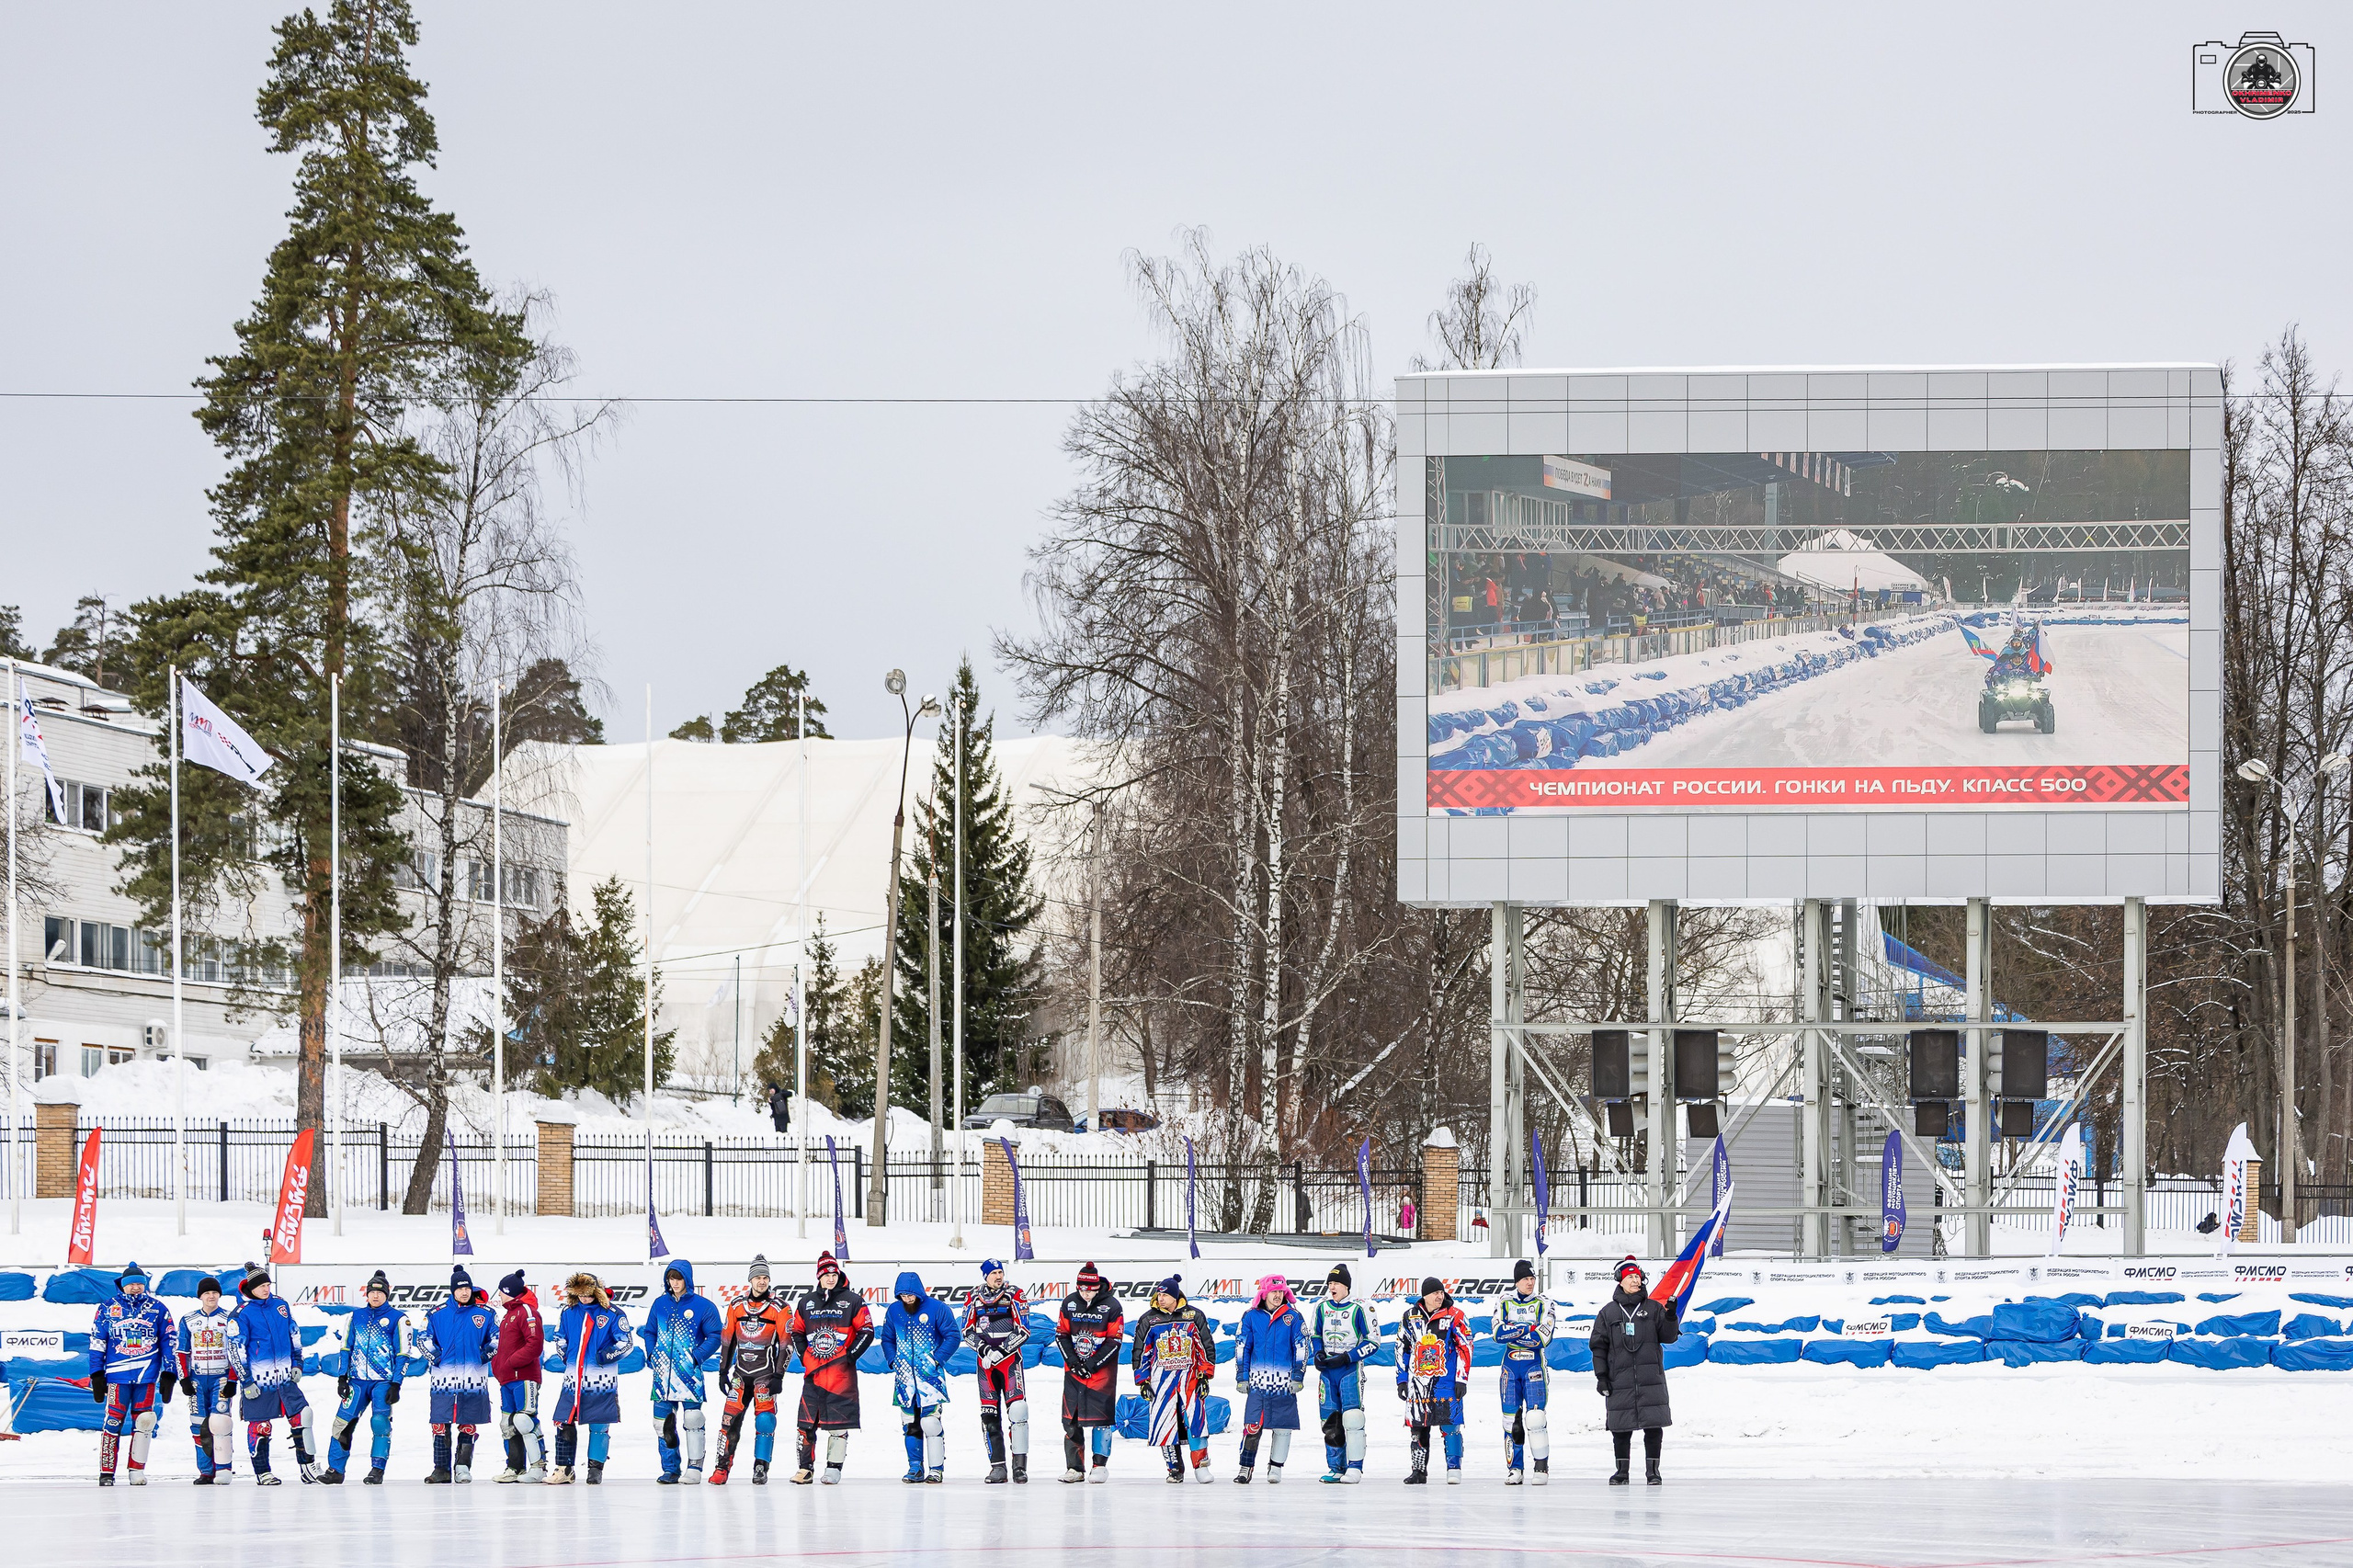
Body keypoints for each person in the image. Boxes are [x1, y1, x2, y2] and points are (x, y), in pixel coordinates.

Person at [1589, 1256, 1678, 1485]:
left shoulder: (1653, 1309)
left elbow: (1668, 1337)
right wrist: (1602, 1377)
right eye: (1630, 1277)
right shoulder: (1608, 1313)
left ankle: (1653, 1472)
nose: (1635, 1281)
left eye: (1637, 1277)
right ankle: (1622, 1472)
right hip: (1620, 1378)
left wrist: (1670, 1316)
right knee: (1620, 1427)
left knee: (1653, 1426)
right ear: (1620, 1280)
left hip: (1651, 1379)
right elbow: (1599, 1347)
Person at [789, 1252, 873, 1484]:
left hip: (840, 1375)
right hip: (813, 1374)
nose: (830, 1278)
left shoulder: (853, 1300)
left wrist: (850, 1356)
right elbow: (796, 1331)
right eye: (826, 1274)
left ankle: (834, 1468)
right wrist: (805, 1356)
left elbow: (867, 1330)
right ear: (819, 1276)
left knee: (838, 1425)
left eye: (833, 1273)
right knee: (806, 1425)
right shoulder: (806, 1302)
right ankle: (805, 1469)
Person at [231, 1262, 319, 1483]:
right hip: (260, 1381)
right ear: (251, 1288)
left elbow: (294, 1335)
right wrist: (246, 1381)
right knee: (261, 1426)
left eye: (268, 1284)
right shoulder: (242, 1314)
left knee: (303, 1416)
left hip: (286, 1379)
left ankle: (308, 1468)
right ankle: (263, 1472)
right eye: (261, 1286)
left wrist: (298, 1363)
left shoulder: (281, 1305)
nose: (266, 1289)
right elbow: (235, 1349)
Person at [641, 1257, 723, 1485]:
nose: (674, 1283)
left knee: (693, 1419)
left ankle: (695, 1468)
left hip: (688, 1374)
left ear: (687, 1279)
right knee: (662, 1423)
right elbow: (649, 1332)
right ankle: (670, 1469)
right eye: (670, 1278)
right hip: (662, 1375)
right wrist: (652, 1353)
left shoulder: (703, 1306)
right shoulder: (659, 1304)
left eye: (678, 1278)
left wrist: (696, 1356)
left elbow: (715, 1335)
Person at [90, 1261, 174, 1486]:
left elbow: (169, 1342)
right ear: (123, 1285)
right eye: (131, 1284)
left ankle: (137, 1470)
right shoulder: (107, 1307)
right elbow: (98, 1341)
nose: (136, 1287)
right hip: (117, 1377)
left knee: (145, 1422)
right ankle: (106, 1472)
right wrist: (96, 1373)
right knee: (112, 1423)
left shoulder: (158, 1308)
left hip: (146, 1376)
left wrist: (169, 1373)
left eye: (140, 1283)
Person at [323, 1268, 407, 1484]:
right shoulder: (355, 1317)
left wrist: (396, 1384)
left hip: (383, 1382)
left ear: (387, 1294)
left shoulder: (398, 1319)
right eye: (372, 1292)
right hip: (357, 1382)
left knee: (380, 1423)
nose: (376, 1296)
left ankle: (377, 1470)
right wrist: (342, 1377)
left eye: (380, 1293)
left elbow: (403, 1353)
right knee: (342, 1424)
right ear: (367, 1294)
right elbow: (345, 1348)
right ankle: (335, 1470)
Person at [547, 1271, 631, 1484]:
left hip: (601, 1380)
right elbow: (559, 1337)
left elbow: (626, 1343)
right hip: (573, 1380)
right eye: (580, 1294)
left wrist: (605, 1356)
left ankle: (595, 1468)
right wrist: (566, 1355)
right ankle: (565, 1469)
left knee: (599, 1424)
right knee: (564, 1421)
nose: (584, 1298)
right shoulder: (568, 1312)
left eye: (588, 1294)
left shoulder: (613, 1313)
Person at [712, 1256, 790, 1483]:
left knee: (765, 1421)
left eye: (765, 1277)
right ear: (750, 1280)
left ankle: (760, 1467)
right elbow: (727, 1339)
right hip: (740, 1375)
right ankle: (721, 1468)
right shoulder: (736, 1305)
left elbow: (787, 1344)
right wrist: (722, 1371)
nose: (762, 1282)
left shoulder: (780, 1307)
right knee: (728, 1422)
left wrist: (779, 1376)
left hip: (765, 1376)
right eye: (758, 1277)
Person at [1131, 1274, 1215, 1483]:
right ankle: (1174, 1469)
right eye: (1158, 1294)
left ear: (1175, 1296)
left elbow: (1205, 1346)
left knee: (1195, 1419)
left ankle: (1201, 1465)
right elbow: (1141, 1351)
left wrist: (1205, 1376)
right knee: (1163, 1422)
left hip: (1189, 1377)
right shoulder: (1149, 1319)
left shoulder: (1193, 1315)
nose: (1160, 1298)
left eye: (1165, 1295)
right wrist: (1142, 1381)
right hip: (1161, 1379)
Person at [420, 1264, 498, 1483]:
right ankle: (441, 1469)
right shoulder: (436, 1314)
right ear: (453, 1291)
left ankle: (463, 1467)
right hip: (443, 1380)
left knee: (468, 1421)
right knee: (440, 1423)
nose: (464, 1292)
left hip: (473, 1379)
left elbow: (497, 1338)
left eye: (467, 1288)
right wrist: (437, 1357)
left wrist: (483, 1356)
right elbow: (423, 1339)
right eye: (460, 1289)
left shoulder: (486, 1313)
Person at [879, 1269, 958, 1484]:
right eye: (903, 1296)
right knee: (910, 1423)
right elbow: (887, 1338)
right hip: (904, 1379)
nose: (907, 1299)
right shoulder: (893, 1311)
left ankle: (936, 1469)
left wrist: (937, 1359)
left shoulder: (937, 1308)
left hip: (930, 1378)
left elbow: (953, 1335)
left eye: (910, 1295)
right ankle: (915, 1468)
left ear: (919, 1293)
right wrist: (893, 1360)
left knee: (931, 1423)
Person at [961, 1257, 1032, 1483]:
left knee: (1018, 1412)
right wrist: (983, 1350)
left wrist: (1001, 1351)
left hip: (1010, 1363)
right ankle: (997, 1467)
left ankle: (1019, 1467)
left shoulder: (1015, 1293)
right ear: (985, 1276)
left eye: (1001, 1272)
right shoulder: (972, 1296)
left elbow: (1024, 1329)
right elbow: (966, 1330)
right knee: (989, 1416)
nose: (999, 1276)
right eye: (994, 1273)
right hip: (986, 1366)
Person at [1395, 1276, 1471, 1485]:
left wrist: (1461, 1379)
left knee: (1451, 1426)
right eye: (1436, 1293)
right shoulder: (1409, 1316)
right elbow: (1402, 1348)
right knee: (1418, 1428)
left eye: (1441, 1292)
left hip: (1446, 1382)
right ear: (1425, 1296)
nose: (1440, 1296)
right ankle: (1419, 1471)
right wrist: (1402, 1379)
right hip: (1417, 1384)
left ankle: (1454, 1468)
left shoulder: (1455, 1315)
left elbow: (1465, 1347)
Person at [1232, 1274, 1306, 1484]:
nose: (1278, 1295)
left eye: (1281, 1291)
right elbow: (1241, 1347)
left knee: (1283, 1427)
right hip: (1258, 1384)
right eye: (1274, 1291)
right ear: (1264, 1293)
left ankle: (1276, 1467)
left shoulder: (1294, 1316)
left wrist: (1298, 1375)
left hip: (1284, 1384)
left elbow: (1302, 1347)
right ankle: (1245, 1467)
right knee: (1252, 1426)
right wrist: (1242, 1376)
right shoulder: (1250, 1316)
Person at [1053, 1261, 1123, 1484]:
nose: (1085, 1292)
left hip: (1101, 1375)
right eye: (1081, 1287)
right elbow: (1061, 1335)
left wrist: (1092, 1364)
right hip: (1073, 1373)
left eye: (1089, 1288)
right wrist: (1074, 1363)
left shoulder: (1112, 1306)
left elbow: (1114, 1341)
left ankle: (1099, 1465)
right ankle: (1075, 1468)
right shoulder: (1069, 1303)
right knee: (1070, 1420)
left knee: (1101, 1419)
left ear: (1097, 1287)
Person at [1308, 1262, 1377, 1484]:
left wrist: (1348, 1357)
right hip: (1328, 1372)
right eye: (1330, 1283)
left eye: (1336, 1283)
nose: (1332, 1287)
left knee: (1353, 1418)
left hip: (1349, 1370)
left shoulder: (1361, 1308)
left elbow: (1373, 1342)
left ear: (1347, 1286)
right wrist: (1318, 1354)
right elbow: (1315, 1334)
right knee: (1330, 1420)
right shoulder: (1321, 1307)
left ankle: (1355, 1467)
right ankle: (1336, 1467)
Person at [1493, 1258, 1555, 1485]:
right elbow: (1498, 1334)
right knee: (1511, 1420)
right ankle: (1515, 1468)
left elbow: (1542, 1338)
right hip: (1510, 1367)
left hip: (1534, 1366)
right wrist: (1526, 1328)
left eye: (1532, 1278)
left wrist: (1515, 1332)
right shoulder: (1504, 1301)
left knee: (1536, 1417)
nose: (1530, 1283)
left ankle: (1541, 1467)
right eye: (1525, 1279)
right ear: (1517, 1281)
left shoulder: (1544, 1303)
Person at [176, 1274, 237, 1484]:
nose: (211, 1296)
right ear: (200, 1296)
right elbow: (181, 1352)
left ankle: (223, 1469)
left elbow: (236, 1351)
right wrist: (184, 1379)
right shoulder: (188, 1320)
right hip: (197, 1379)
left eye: (215, 1292)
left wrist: (232, 1380)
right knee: (198, 1425)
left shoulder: (230, 1318)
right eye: (207, 1293)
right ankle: (205, 1470)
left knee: (220, 1422)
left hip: (221, 1378)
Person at [493, 1269, 546, 1483]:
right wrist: (500, 1367)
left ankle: (537, 1468)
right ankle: (514, 1468)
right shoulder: (508, 1314)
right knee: (509, 1424)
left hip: (524, 1377)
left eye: (502, 1292)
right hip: (507, 1379)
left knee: (525, 1421)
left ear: (509, 1291)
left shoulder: (526, 1311)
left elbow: (535, 1345)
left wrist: (510, 1363)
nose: (499, 1296)